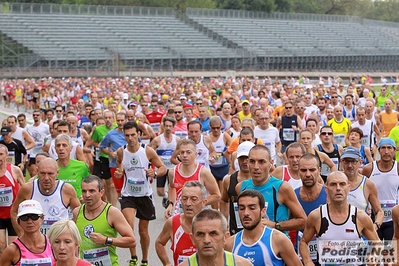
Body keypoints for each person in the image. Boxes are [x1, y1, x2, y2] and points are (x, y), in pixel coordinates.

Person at [299, 171, 380, 265]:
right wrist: (308, 261)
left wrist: (373, 256)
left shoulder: (360, 217)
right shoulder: (316, 216)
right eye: (333, 184)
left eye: (342, 184)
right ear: (326, 189)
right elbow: (303, 242)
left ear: (348, 188)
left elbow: (377, 244)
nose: (338, 188)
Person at [114, 121, 166, 266]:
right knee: (129, 226)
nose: (130, 138)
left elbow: (162, 168)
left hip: (144, 194)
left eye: (133, 135)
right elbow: (120, 165)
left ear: (139, 134)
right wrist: (119, 172)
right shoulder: (121, 151)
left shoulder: (147, 151)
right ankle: (133, 257)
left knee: (143, 231)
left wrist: (154, 173)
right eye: (127, 135)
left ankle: (144, 259)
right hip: (128, 195)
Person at [236, 145, 307, 235]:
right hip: (250, 244)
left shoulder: (282, 187)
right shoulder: (240, 187)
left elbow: (303, 221)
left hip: (277, 245)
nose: (256, 167)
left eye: (261, 162)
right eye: (252, 161)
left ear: (271, 163)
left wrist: (275, 225)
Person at [225, 189, 301, 265]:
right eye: (242, 208)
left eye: (252, 208)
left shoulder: (278, 239)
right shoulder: (231, 243)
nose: (246, 213)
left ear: (263, 211)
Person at [73, 175, 136, 266]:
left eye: (92, 191)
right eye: (84, 191)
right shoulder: (77, 212)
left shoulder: (112, 212)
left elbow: (132, 241)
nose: (87, 195)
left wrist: (106, 240)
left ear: (101, 192)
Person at [11, 158, 80, 236]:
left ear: (57, 173)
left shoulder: (67, 190)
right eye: (42, 173)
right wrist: (21, 234)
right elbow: (14, 211)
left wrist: (72, 233)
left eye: (50, 173)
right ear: (37, 172)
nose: (46, 178)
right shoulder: (27, 189)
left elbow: (79, 212)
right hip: (35, 241)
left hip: (59, 241)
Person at [165, 139, 220, 219]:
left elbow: (217, 195)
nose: (185, 155)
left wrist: (201, 203)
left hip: (200, 216)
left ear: (195, 154)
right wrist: (170, 204)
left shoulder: (203, 172)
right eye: (182, 152)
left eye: (188, 152)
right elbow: (172, 187)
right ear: (179, 155)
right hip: (180, 214)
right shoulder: (172, 172)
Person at [155, 181, 207, 266]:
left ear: (203, 202)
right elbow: (159, 243)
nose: (188, 203)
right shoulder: (173, 223)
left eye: (193, 199)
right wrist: (167, 263)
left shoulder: (213, 224)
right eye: (184, 199)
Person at [177, 209, 253, 266]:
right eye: (200, 234)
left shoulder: (242, 264)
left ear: (226, 237)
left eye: (213, 233)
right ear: (192, 239)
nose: (206, 240)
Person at [363, 137, 399, 241]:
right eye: (383, 148)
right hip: (374, 218)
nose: (386, 151)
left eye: (389, 148)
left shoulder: (398, 168)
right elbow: (361, 187)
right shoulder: (369, 168)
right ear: (378, 150)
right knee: (375, 253)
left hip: (392, 219)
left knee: (390, 253)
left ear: (394, 150)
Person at [0, 200, 56, 265]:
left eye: (34, 217)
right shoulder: (12, 250)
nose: (29, 221)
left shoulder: (53, 244)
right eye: (24, 217)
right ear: (18, 221)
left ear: (42, 218)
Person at [295, 153, 327, 264]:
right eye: (303, 170)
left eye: (312, 170)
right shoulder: (292, 196)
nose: (308, 174)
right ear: (298, 171)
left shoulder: (330, 194)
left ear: (319, 170)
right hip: (301, 255)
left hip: (327, 255)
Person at [341, 146, 383, 229]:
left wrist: (374, 227)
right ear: (341, 162)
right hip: (339, 235)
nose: (350, 165)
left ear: (360, 162)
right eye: (346, 161)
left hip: (362, 236)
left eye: (353, 161)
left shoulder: (368, 184)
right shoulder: (334, 181)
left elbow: (379, 211)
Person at [220, 141, 254, 235]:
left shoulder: (262, 180)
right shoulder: (229, 180)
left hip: (257, 230)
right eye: (241, 158)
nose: (244, 161)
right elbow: (223, 201)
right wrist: (224, 225)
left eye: (247, 158)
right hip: (235, 231)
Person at [149, 117, 180, 207]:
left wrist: (178, 157)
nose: (168, 128)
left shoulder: (177, 139)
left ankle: (171, 205)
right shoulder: (157, 140)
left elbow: (181, 152)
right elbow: (149, 152)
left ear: (173, 127)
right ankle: (166, 196)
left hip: (173, 168)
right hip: (162, 168)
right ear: (163, 126)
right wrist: (156, 157)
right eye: (166, 126)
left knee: (172, 187)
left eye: (170, 126)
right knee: (160, 192)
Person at [90, 110, 118, 209]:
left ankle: (113, 205)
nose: (108, 120)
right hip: (104, 157)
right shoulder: (98, 130)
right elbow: (92, 142)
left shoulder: (117, 128)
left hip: (115, 159)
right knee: (108, 184)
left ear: (113, 119)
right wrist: (102, 146)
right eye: (106, 118)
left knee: (112, 185)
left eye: (110, 117)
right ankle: (110, 204)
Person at [0, 144, 25, 256]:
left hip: (12, 214)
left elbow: (25, 189)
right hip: (0, 215)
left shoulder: (14, 170)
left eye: (1, 154)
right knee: (1, 245)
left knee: (13, 247)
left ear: (6, 155)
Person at [99, 112, 128, 199]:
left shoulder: (131, 133)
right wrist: (110, 153)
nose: (120, 122)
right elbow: (102, 147)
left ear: (126, 120)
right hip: (115, 165)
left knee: (129, 189)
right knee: (119, 190)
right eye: (118, 120)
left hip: (129, 164)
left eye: (122, 120)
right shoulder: (111, 134)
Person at [56, 134, 91, 200]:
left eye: (64, 145)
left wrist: (85, 195)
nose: (61, 148)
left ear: (71, 148)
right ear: (55, 149)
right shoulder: (51, 167)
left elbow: (90, 184)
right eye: (58, 145)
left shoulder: (81, 166)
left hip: (77, 206)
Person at [25, 110, 50, 177]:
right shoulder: (29, 128)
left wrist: (45, 145)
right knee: (34, 173)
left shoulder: (46, 127)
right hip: (33, 153)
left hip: (43, 152)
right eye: (34, 115)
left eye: (37, 115)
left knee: (44, 171)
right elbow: (27, 140)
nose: (35, 116)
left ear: (41, 116)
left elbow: (49, 137)